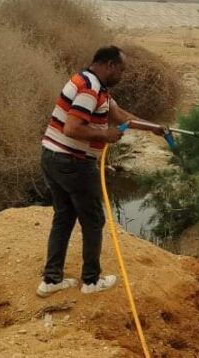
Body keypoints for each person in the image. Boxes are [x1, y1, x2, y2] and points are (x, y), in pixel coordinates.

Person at [36, 45, 163, 297]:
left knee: (63, 217)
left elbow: (119, 115)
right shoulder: (89, 88)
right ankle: (91, 282)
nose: (123, 75)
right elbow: (72, 128)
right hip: (73, 162)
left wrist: (153, 127)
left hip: (52, 158)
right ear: (109, 65)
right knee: (93, 221)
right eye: (121, 70)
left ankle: (51, 280)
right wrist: (104, 135)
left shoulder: (95, 86)